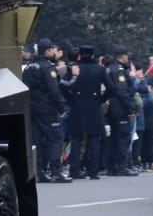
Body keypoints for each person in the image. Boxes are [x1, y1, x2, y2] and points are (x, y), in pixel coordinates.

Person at [23, 39, 70, 183]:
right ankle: (56, 171)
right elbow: (54, 90)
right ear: (47, 51)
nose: (54, 52)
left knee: (36, 140)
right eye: (52, 50)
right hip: (47, 109)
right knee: (55, 138)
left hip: (31, 108)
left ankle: (38, 171)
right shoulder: (48, 67)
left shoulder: (30, 67)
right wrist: (60, 108)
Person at [64, 45, 109, 180]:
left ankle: (74, 170)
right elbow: (111, 87)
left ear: (80, 55)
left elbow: (63, 85)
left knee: (76, 138)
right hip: (94, 106)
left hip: (77, 105)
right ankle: (93, 171)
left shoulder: (74, 68)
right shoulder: (100, 69)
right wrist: (101, 99)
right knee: (94, 138)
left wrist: (71, 99)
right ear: (93, 55)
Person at [104, 46, 139, 177]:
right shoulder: (119, 70)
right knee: (123, 138)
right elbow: (122, 91)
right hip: (120, 108)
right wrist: (130, 108)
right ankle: (122, 166)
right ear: (121, 56)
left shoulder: (109, 68)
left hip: (112, 109)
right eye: (126, 55)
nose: (128, 58)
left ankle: (112, 167)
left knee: (114, 138)